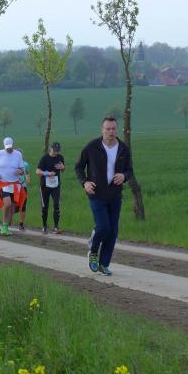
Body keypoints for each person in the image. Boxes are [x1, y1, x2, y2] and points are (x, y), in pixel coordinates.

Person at [75, 116, 134, 276]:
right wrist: (85, 183)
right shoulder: (92, 147)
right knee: (103, 227)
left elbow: (129, 170)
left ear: (117, 130)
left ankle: (104, 264)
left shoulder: (123, 148)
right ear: (102, 130)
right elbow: (79, 167)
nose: (111, 132)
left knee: (113, 231)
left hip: (115, 195)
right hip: (96, 193)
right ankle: (93, 251)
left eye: (113, 128)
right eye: (107, 129)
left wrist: (124, 176)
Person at [0, 137, 27, 236]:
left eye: (10, 147)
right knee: (8, 203)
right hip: (3, 183)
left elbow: (22, 170)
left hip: (15, 184)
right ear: (4, 146)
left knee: (12, 207)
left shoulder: (18, 154)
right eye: (7, 147)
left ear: (13, 145)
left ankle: (6, 225)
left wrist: (20, 171)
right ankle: (4, 226)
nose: (9, 149)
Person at [36, 142, 66, 234]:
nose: (56, 152)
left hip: (56, 185)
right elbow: (37, 171)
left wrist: (63, 167)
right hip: (44, 186)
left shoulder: (60, 157)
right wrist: (47, 173)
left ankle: (56, 227)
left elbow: (63, 170)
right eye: (54, 150)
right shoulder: (45, 158)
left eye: (57, 151)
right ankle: (44, 226)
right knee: (45, 206)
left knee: (56, 205)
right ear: (50, 148)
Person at [16, 148, 30, 231]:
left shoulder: (25, 164)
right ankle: (6, 222)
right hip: (13, 187)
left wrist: (28, 179)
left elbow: (27, 173)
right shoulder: (12, 164)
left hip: (22, 187)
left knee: (23, 206)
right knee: (12, 205)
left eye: (21, 155)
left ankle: (21, 224)